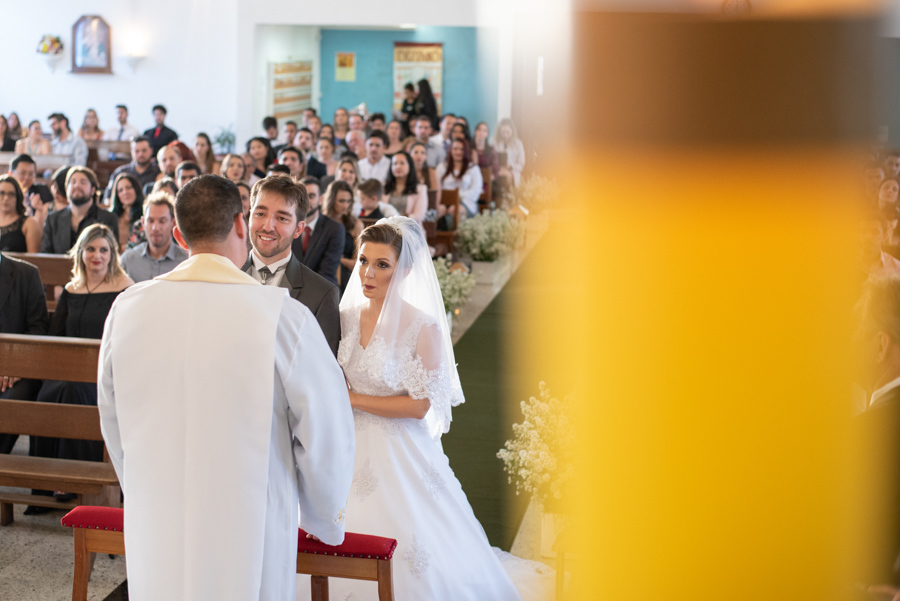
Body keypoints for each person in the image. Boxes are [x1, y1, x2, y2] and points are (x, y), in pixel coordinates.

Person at [97, 174, 355, 601]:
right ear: (241, 224)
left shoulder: (126, 309)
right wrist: (324, 517)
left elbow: (111, 416)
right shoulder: (282, 317)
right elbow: (326, 428)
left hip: (158, 506)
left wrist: (139, 480)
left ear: (179, 235)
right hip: (250, 515)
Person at [303, 217, 552, 600]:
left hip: (400, 449)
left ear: (404, 270)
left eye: (381, 264)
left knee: (415, 543)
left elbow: (420, 406)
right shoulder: (345, 317)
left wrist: (353, 399)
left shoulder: (423, 329)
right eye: (364, 260)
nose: (368, 273)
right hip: (348, 444)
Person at [32, 224, 133, 505]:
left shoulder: (125, 288)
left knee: (73, 391)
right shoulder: (71, 289)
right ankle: (49, 479)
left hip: (104, 374)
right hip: (68, 369)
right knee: (48, 394)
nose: (97, 256)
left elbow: (127, 338)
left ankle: (74, 480)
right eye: (90, 249)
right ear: (81, 252)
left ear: (113, 254)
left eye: (103, 250)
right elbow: (56, 335)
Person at [243, 175, 340, 355]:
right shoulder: (224, 277)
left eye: (282, 218)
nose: (268, 226)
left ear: (299, 229)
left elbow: (321, 369)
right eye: (260, 214)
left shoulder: (321, 295)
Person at [0, 250, 49, 455]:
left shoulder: (26, 274)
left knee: (12, 402)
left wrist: (14, 366)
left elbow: (38, 328)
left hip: (15, 371)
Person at [41, 167, 119, 254]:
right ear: (67, 189)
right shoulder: (53, 219)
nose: (77, 185)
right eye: (73, 182)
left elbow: (112, 254)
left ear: (93, 190)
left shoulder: (107, 218)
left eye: (83, 182)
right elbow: (46, 255)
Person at [120, 192, 187, 282]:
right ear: (143, 223)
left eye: (162, 221)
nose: (155, 228)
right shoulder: (128, 260)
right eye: (150, 221)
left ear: (173, 223)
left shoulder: (185, 261)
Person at [292, 173, 345, 287]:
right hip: (289, 290)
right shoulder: (289, 226)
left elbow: (327, 272)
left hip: (322, 290)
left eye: (311, 196)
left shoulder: (334, 229)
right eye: (302, 197)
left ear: (320, 199)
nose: (305, 201)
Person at [322, 180, 361, 294]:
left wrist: (339, 259)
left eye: (349, 201)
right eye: (341, 201)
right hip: (323, 273)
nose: (346, 205)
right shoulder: (321, 223)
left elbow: (358, 263)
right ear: (331, 200)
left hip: (347, 277)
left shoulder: (355, 224)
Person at [436, 139, 484, 218]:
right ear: (450, 150)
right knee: (440, 210)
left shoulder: (473, 168)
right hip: (443, 201)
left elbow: (475, 192)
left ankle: (453, 228)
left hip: (466, 203)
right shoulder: (442, 167)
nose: (458, 152)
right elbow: (437, 187)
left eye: (462, 149)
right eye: (455, 149)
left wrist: (457, 196)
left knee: (454, 210)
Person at [383, 151, 427, 226]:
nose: (398, 166)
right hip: (387, 230)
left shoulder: (420, 189)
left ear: (410, 166)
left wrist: (398, 220)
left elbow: (419, 215)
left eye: (402, 163)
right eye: (395, 164)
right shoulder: (384, 187)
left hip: (410, 229)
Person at [0, 175, 41, 253]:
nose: (6, 198)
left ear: (18, 197)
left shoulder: (29, 223)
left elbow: (35, 260)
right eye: (1, 193)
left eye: (11, 194)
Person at [9, 154, 52, 221]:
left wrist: (39, 209)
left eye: (31, 174)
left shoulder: (41, 191)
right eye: (23, 173)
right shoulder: (4, 193)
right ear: (11, 174)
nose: (26, 178)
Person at [109, 173, 144, 252]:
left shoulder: (145, 216)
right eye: (120, 190)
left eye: (128, 187)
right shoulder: (111, 217)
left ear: (136, 189)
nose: (125, 192)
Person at [494, 118, 526, 187]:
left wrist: (511, 166)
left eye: (507, 132)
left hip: (513, 172)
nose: (505, 135)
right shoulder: (495, 143)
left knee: (506, 176)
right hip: (498, 170)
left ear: (512, 131)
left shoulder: (518, 144)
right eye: (503, 132)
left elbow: (521, 164)